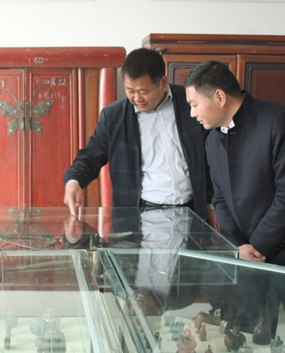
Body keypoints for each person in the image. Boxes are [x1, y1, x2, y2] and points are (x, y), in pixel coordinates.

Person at [183, 60, 285, 278]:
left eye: (194, 104)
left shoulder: (279, 122)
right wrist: (238, 246)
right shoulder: (212, 140)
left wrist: (257, 246)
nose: (192, 113)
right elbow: (220, 198)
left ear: (220, 97)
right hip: (248, 258)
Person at [63, 48, 217, 228]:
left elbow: (212, 157)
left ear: (163, 83)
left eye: (144, 91)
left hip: (191, 211)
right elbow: (90, 156)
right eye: (130, 91)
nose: (137, 98)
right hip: (141, 216)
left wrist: (211, 204)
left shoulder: (190, 103)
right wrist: (74, 181)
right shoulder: (114, 116)